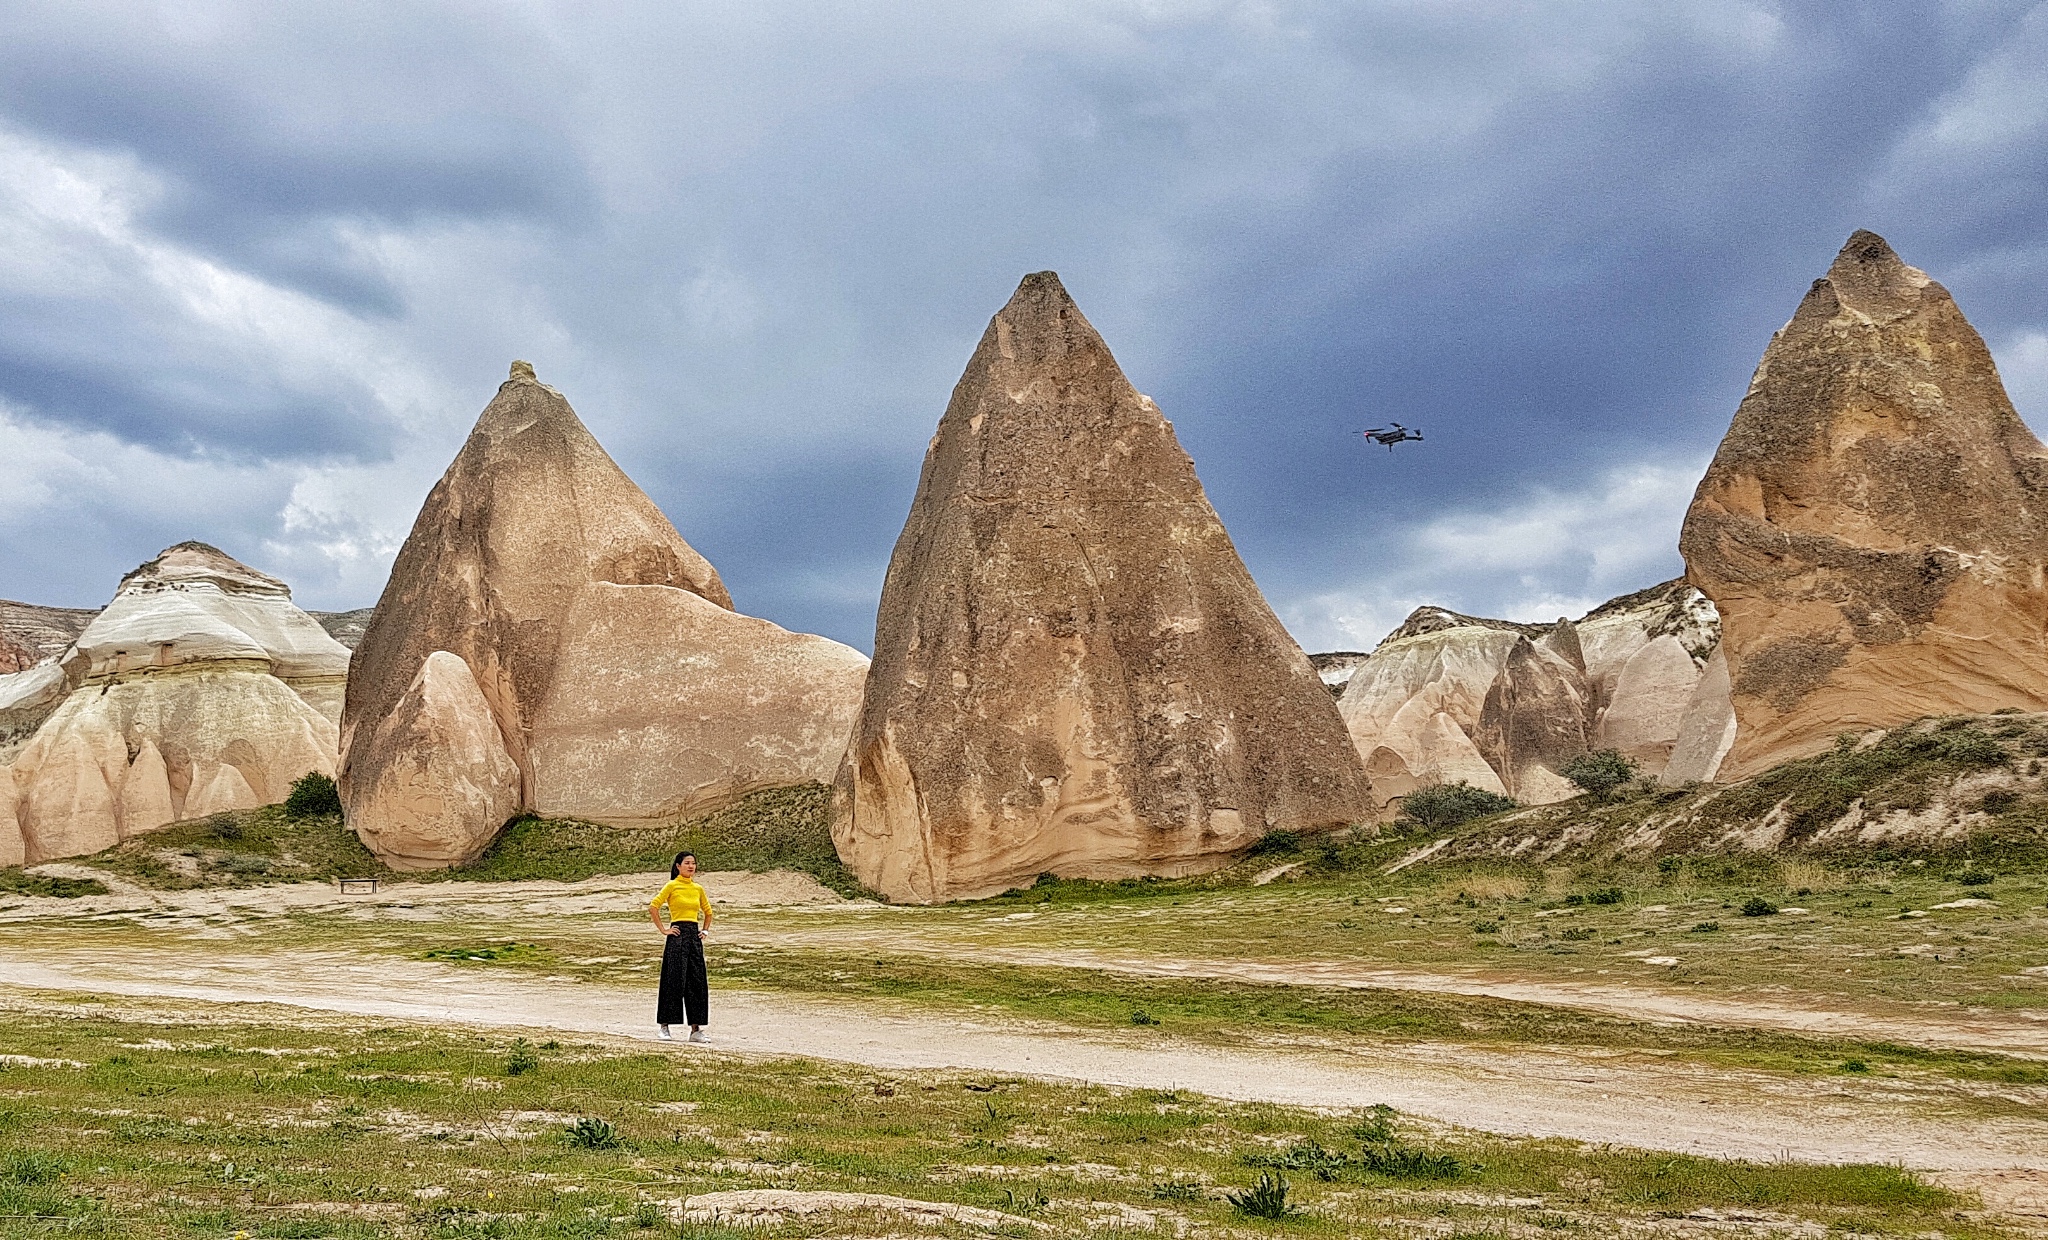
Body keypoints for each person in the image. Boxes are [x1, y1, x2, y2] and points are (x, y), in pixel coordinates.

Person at [648, 851, 713, 1042]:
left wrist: (705, 931)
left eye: (693, 863)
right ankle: (664, 1027)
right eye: (687, 863)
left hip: (693, 937)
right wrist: (664, 930)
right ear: (678, 866)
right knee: (673, 980)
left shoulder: (698, 888)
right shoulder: (672, 886)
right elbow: (654, 907)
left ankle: (696, 1030)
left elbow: (708, 912)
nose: (691, 866)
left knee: (696, 982)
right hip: (676, 936)